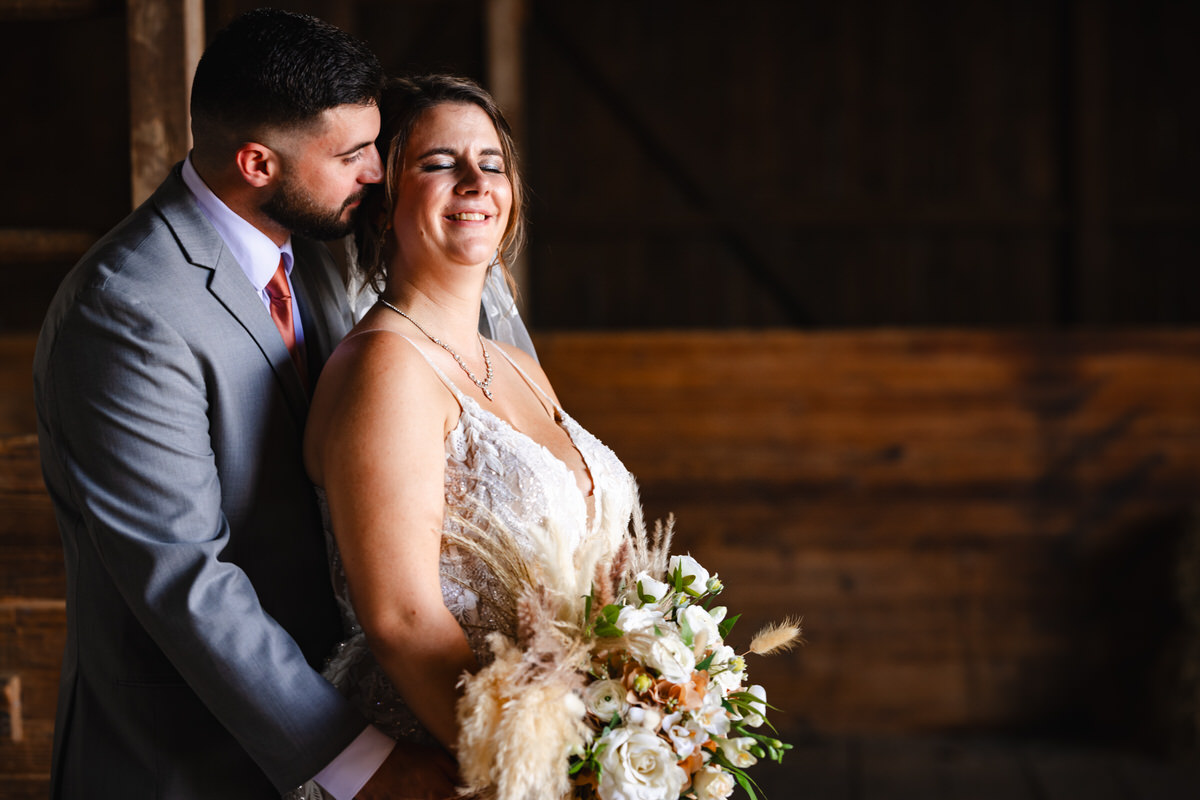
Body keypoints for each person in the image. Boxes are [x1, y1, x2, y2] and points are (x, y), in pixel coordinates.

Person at [34, 11, 526, 799]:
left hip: (351, 717)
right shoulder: (125, 310)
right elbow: (182, 577)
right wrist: (362, 762)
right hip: (189, 761)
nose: (377, 171)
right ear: (258, 162)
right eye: (354, 155)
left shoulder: (322, 252)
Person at [300, 74, 639, 780]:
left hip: (573, 736)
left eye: (491, 164)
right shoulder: (385, 370)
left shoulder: (516, 365)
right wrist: (531, 767)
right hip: (451, 758)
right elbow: (400, 619)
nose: (474, 182)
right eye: (438, 164)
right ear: (383, 199)